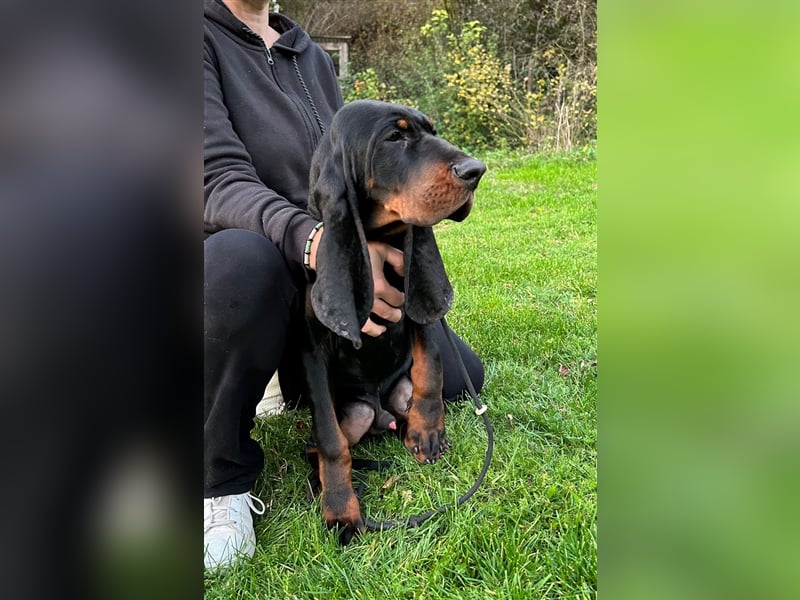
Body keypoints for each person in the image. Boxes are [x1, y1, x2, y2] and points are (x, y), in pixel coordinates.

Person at [204, 0, 485, 570]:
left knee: (461, 376)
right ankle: (218, 481)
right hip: (261, 274)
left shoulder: (307, 53)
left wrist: (367, 254)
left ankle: (337, 393)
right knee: (242, 263)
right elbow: (215, 180)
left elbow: (356, 176)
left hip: (337, 264)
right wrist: (317, 244)